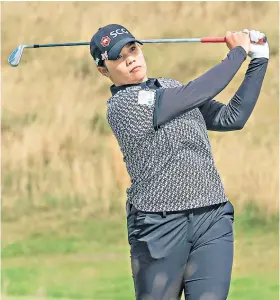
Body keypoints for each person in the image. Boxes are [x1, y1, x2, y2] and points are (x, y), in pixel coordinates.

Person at [89, 24, 269, 300]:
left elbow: (232, 118)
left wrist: (258, 60)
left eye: (133, 49)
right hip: (159, 227)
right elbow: (195, 93)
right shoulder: (122, 107)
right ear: (104, 70)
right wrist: (237, 54)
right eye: (118, 57)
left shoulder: (170, 87)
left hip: (212, 217)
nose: (131, 59)